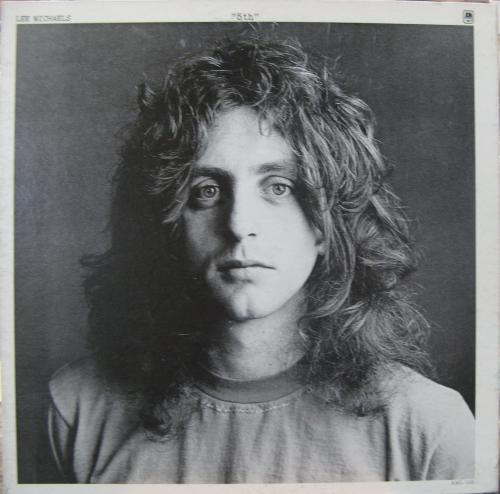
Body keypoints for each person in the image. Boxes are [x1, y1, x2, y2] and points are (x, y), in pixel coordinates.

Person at [48, 34, 474, 483]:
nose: (238, 225)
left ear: (327, 224)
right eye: (206, 191)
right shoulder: (76, 410)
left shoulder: (428, 428)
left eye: (278, 187)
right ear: (168, 223)